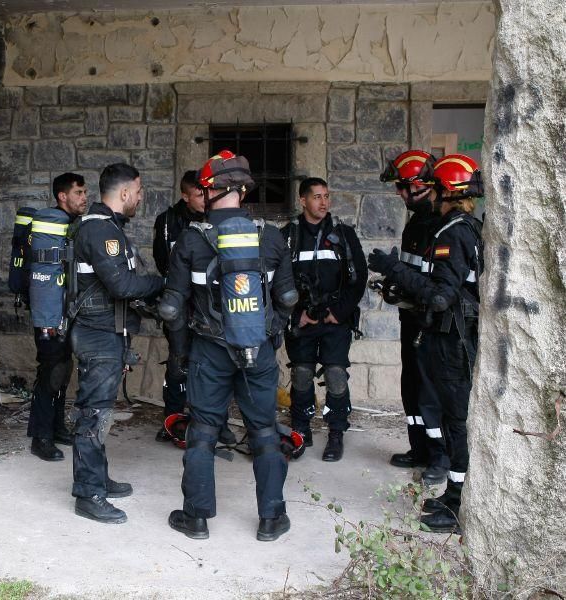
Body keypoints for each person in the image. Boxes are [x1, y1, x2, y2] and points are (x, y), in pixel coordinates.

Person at [159, 150, 298, 542]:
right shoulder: (271, 236)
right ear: (243, 189)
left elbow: (171, 307)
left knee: (203, 429)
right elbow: (287, 298)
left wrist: (183, 353)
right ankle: (271, 519)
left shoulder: (191, 239)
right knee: (265, 431)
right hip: (259, 348)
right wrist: (271, 336)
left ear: (208, 190)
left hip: (209, 350)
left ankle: (197, 518)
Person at [368, 154, 483, 533]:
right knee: (450, 416)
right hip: (446, 336)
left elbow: (439, 296)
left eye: (432, 186)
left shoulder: (453, 232)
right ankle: (453, 496)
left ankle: (456, 502)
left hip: (451, 341)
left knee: (456, 420)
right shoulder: (460, 226)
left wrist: (393, 269)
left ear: (447, 191)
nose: (424, 192)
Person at [68, 163, 164, 524]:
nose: (140, 198)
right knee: (93, 414)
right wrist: (161, 282)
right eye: (138, 192)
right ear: (124, 193)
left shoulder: (107, 227)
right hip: (97, 334)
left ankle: (98, 479)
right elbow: (122, 286)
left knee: (101, 412)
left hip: (106, 331)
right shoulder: (100, 231)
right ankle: (88, 494)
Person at [282, 177, 367, 462]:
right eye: (317, 196)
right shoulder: (288, 236)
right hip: (303, 320)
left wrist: (338, 312)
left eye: (326, 196)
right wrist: (297, 314)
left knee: (335, 374)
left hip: (335, 320)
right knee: (302, 373)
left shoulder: (343, 234)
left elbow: (359, 278)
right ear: (303, 200)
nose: (323, 202)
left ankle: (336, 432)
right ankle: (301, 428)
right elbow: (276, 282)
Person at [153, 171, 235, 446]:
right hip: (179, 305)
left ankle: (216, 424)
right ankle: (173, 421)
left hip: (209, 306)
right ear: (185, 195)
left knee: (215, 365)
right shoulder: (167, 222)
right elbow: (162, 261)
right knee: (177, 363)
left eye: (207, 193)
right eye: (199, 194)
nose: (206, 198)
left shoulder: (215, 220)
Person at [378, 151, 446, 478]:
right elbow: (413, 272)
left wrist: (397, 271)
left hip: (434, 326)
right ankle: (419, 450)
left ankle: (440, 459)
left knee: (433, 392)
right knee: (412, 387)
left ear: (423, 185)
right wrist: (393, 280)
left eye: (404, 187)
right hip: (412, 319)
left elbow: (437, 286)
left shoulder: (445, 227)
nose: (399, 193)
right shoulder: (416, 223)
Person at [27, 173, 88, 462]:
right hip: (49, 313)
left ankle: (56, 427)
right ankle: (41, 437)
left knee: (62, 369)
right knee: (51, 373)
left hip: (61, 310)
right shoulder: (53, 223)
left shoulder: (67, 226)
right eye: (78, 192)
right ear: (62, 196)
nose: (83, 198)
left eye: (84, 192)